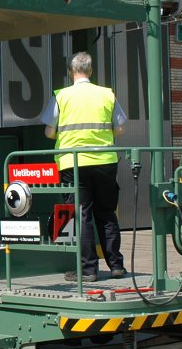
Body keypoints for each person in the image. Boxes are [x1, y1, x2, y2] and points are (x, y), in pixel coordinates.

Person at [42, 52, 127, 283]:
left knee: (82, 215)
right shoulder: (107, 94)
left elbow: (49, 131)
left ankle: (89, 270)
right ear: (90, 71)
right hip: (105, 161)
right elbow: (120, 129)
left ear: (71, 71)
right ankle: (116, 265)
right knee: (107, 213)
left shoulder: (62, 96)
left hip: (73, 163)